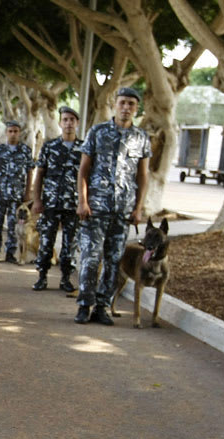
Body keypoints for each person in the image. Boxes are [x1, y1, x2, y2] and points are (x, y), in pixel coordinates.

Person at [74, 87, 151, 325]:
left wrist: (138, 208)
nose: (126, 107)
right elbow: (84, 169)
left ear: (136, 108)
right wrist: (83, 201)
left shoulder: (141, 137)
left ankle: (102, 307)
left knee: (114, 260)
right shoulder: (97, 131)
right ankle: (85, 305)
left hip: (122, 210)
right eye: (122, 103)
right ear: (114, 105)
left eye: (131, 104)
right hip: (95, 208)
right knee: (90, 258)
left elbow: (143, 175)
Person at [31, 106, 83, 292]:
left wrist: (85, 203)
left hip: (73, 205)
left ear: (77, 123)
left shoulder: (84, 148)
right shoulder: (49, 147)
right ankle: (42, 277)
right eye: (65, 120)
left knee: (70, 244)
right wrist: (37, 200)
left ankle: (65, 279)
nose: (69, 123)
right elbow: (40, 175)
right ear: (60, 123)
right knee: (46, 241)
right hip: (51, 203)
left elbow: (87, 178)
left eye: (72, 120)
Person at [0, 120, 33, 264]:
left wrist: (27, 192)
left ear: (19, 133)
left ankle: (10, 253)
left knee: (14, 226)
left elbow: (30, 171)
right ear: (6, 133)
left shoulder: (25, 151)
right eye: (10, 131)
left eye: (15, 131)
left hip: (16, 196)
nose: (13, 134)